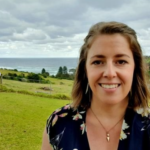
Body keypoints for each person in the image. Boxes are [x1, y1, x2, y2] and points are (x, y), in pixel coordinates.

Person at [41, 21, 150, 150]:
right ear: (85, 70)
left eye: (121, 61)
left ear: (135, 68)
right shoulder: (59, 122)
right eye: (98, 62)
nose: (110, 73)